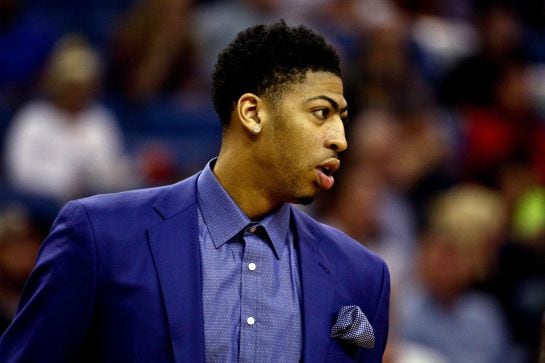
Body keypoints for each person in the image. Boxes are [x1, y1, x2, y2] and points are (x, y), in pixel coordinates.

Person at [0, 21, 390, 362]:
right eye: (321, 113)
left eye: (342, 118)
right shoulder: (99, 235)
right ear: (253, 113)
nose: (340, 139)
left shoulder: (363, 276)